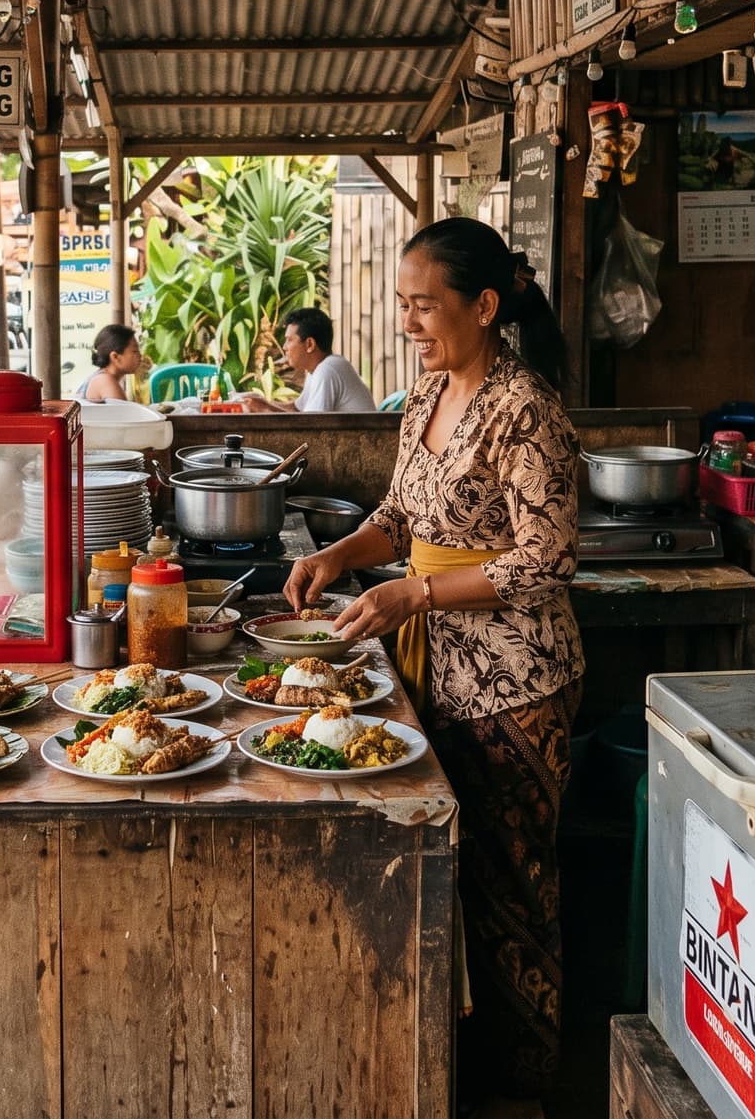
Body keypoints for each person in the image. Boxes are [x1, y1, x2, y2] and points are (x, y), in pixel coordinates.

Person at [283, 217, 580, 1109]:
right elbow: (404, 517)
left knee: (512, 884)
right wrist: (341, 554)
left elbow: (546, 559)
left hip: (515, 682)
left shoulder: (528, 410)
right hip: (434, 674)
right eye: (402, 305)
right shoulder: (425, 395)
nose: (409, 323)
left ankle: (527, 1083)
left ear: (485, 306)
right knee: (446, 880)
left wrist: (415, 595)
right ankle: (459, 1070)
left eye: (425, 305)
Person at [244, 307, 377, 414]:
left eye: (289, 340)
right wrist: (262, 403)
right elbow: (296, 409)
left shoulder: (327, 370)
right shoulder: (318, 369)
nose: (284, 347)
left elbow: (310, 426)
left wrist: (264, 409)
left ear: (310, 344)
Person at [81, 323, 145, 403]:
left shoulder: (108, 378)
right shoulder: (104, 380)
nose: (140, 356)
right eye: (135, 351)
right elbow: (126, 414)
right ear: (115, 357)